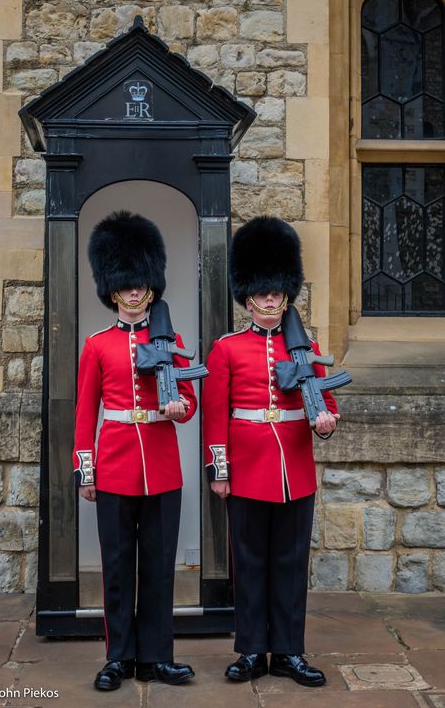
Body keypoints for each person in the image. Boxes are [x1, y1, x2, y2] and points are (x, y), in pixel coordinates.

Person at [202, 216, 339, 686]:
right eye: (261, 292)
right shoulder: (227, 349)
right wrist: (219, 471)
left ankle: (288, 652)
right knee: (249, 563)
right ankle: (250, 650)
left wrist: (324, 424)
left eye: (276, 291)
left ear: (285, 291)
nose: (269, 299)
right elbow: (215, 416)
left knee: (290, 563)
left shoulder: (308, 347)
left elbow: (329, 408)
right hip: (246, 470)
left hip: (294, 470)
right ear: (248, 295)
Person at [73, 210, 197, 690]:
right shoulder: (97, 346)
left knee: (159, 568)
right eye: (124, 285)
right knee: (118, 567)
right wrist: (86, 471)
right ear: (112, 289)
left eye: (139, 284)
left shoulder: (173, 340)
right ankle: (119, 657)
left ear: (150, 285)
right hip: (116, 466)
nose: (132, 293)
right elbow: (86, 415)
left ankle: (158, 656)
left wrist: (177, 408)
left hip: (162, 466)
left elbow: (189, 403)